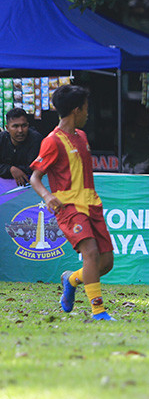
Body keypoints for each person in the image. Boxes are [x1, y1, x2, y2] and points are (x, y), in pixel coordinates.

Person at [28, 84, 115, 321]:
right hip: (68, 208)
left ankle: (71, 279)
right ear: (77, 110)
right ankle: (98, 311)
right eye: (86, 109)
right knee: (91, 253)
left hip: (92, 205)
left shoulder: (82, 136)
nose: (88, 113)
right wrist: (47, 196)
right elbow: (34, 177)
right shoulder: (52, 141)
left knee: (106, 261)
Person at [1, 107, 43, 186]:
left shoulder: (36, 139)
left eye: (24, 126)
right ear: (7, 128)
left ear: (28, 125)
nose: (20, 130)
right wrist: (10, 169)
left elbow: (34, 167)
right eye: (15, 126)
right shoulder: (1, 139)